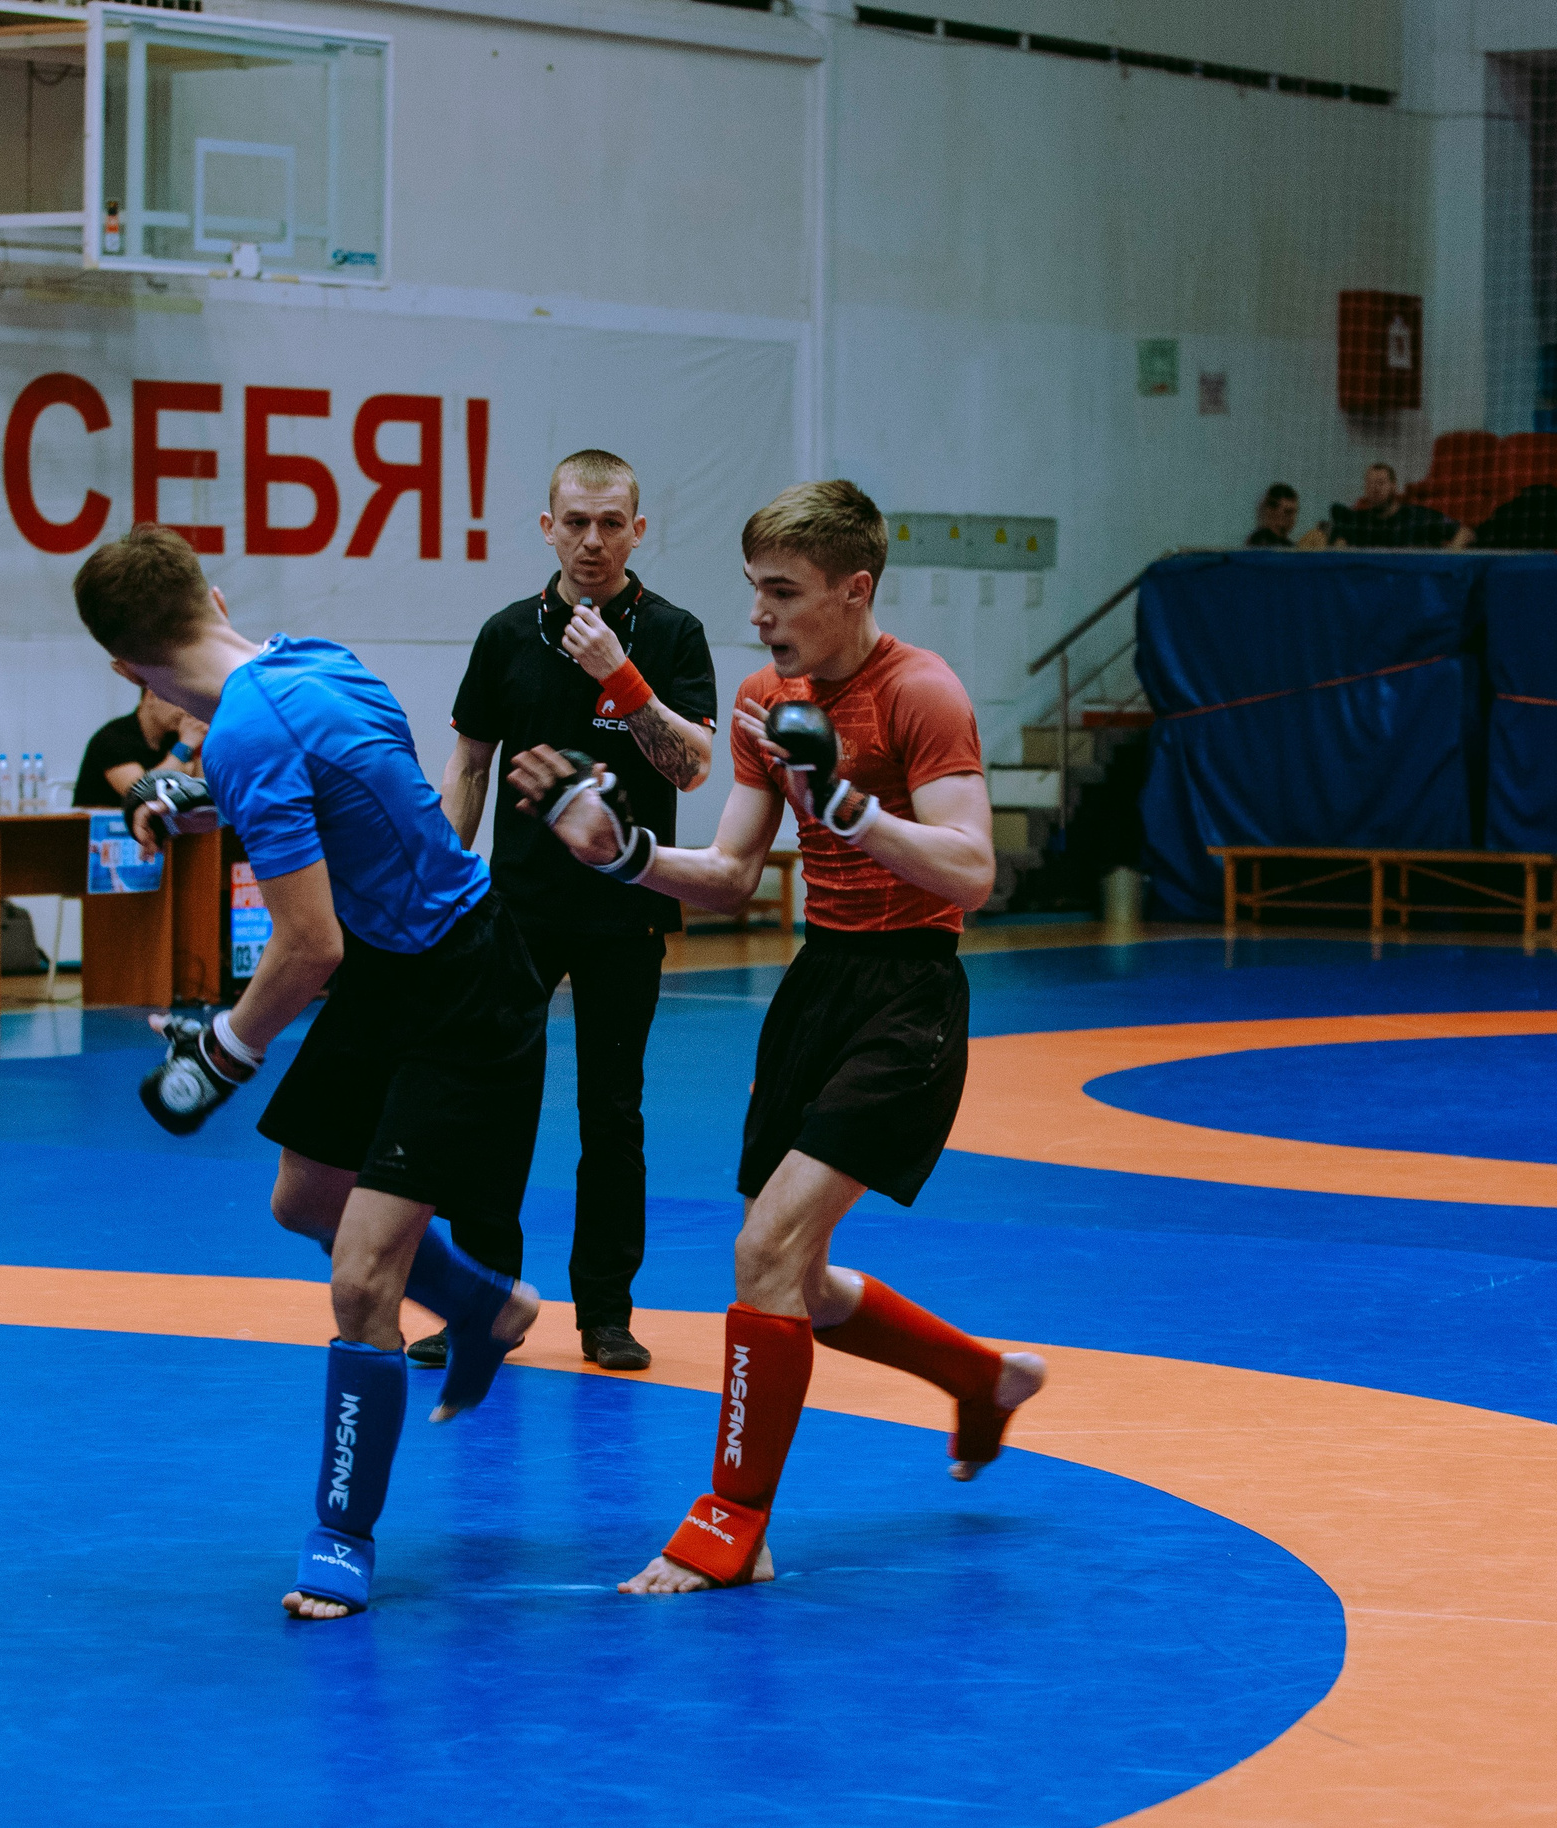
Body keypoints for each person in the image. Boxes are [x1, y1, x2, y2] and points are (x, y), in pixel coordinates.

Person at [506, 480, 1048, 1596]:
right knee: (793, 1271)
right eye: (755, 589)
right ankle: (981, 1379)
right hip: (817, 985)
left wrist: (847, 806)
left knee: (764, 1253)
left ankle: (733, 1524)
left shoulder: (921, 692)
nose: (759, 614)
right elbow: (730, 876)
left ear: (854, 590)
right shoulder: (766, 697)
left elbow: (972, 871)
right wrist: (619, 854)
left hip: (908, 994)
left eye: (784, 593)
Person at [72, 522, 547, 1622]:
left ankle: (341, 1537)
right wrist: (197, 798)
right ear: (213, 596)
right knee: (303, 1199)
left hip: (457, 985)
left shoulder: (243, 735)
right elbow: (351, 786)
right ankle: (481, 1306)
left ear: (123, 666)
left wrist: (222, 1055)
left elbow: (307, 946)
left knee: (362, 1281)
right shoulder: (318, 660)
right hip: (404, 961)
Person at [431, 450, 718, 1374]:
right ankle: (483, 1305)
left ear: (639, 531)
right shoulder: (506, 634)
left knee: (613, 1112)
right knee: (491, 1109)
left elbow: (691, 768)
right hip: (516, 908)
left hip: (626, 907)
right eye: (577, 522)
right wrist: (440, 891)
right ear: (548, 528)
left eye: (611, 523)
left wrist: (621, 676)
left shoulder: (672, 633)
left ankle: (606, 1312)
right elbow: (469, 766)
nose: (593, 540)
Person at [71, 687, 204, 808]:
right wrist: (184, 746)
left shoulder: (174, 737)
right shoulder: (113, 737)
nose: (184, 711)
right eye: (178, 702)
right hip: (99, 823)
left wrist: (200, 745)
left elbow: (200, 791)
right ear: (152, 696)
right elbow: (141, 794)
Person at [1329, 462, 1474, 550]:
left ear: (1393, 486)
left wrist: (1447, 559)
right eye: (1370, 483)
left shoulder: (1417, 516)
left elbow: (1464, 532)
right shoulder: (1358, 521)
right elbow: (1331, 537)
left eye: (1380, 483)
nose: (1375, 488)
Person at [1244, 482, 1328, 549]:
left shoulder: (1285, 543)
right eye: (1288, 512)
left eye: (1294, 512)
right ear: (1271, 511)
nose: (1292, 518)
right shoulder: (1260, 542)